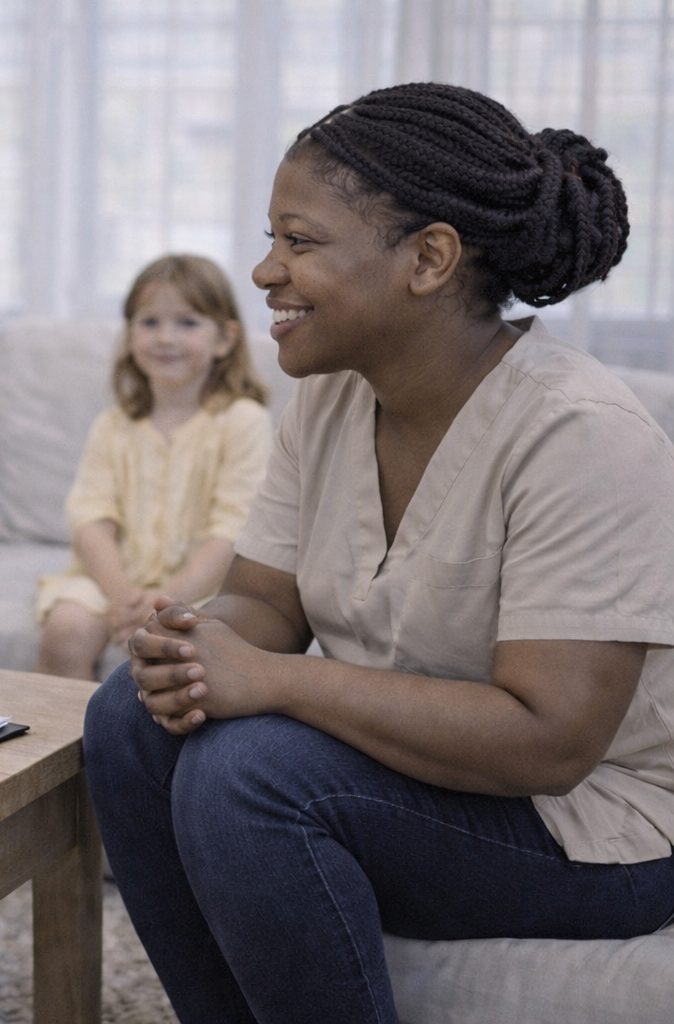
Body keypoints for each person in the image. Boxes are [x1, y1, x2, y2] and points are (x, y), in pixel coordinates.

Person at [85, 82, 674, 1023]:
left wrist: (276, 682)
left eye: (300, 241)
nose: (265, 271)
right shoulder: (329, 398)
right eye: (272, 239)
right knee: (128, 718)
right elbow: (265, 604)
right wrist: (193, 642)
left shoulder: (581, 434)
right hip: (414, 775)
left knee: (251, 774)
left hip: (597, 828)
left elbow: (551, 740)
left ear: (428, 258)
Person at [34, 254, 272, 680]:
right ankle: (60, 727)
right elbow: (90, 519)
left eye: (187, 323)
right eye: (149, 322)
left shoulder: (243, 422)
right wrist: (122, 595)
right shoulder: (113, 426)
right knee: (66, 629)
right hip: (115, 579)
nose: (165, 338)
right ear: (129, 335)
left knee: (186, 644)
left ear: (225, 338)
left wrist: (165, 599)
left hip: (206, 586)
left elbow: (232, 532)